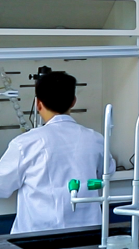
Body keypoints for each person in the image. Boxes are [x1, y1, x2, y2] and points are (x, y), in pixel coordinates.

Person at [0, 71, 114, 234]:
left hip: (37, 238)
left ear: (38, 104)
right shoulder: (95, 139)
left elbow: (2, 186)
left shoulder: (24, 144)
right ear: (73, 101)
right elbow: (107, 172)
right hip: (87, 236)